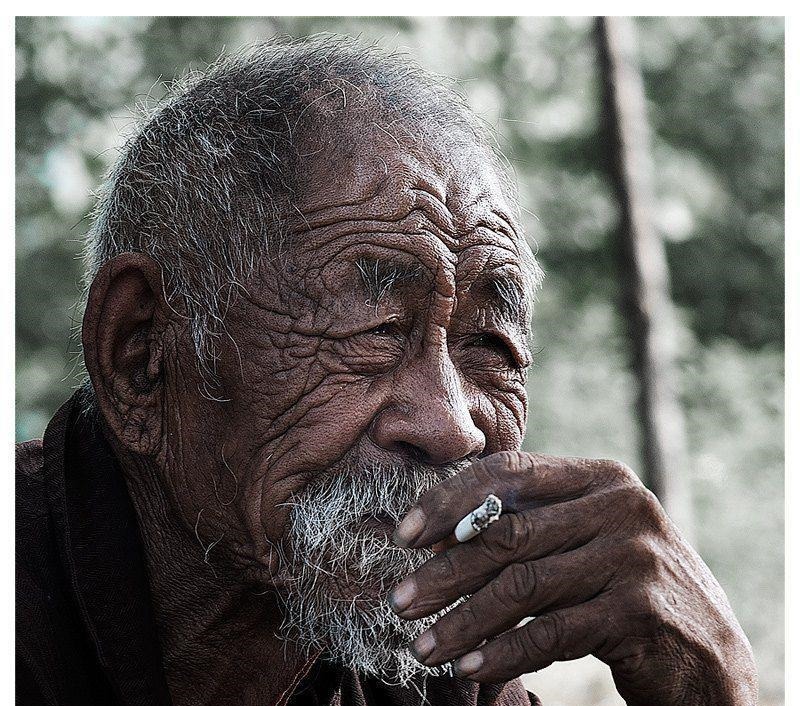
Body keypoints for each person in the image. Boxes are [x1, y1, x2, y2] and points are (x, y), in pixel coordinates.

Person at [16, 36, 758, 706]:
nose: (455, 427)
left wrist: (706, 692)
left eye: (490, 347)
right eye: (374, 331)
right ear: (140, 357)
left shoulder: (434, 660)